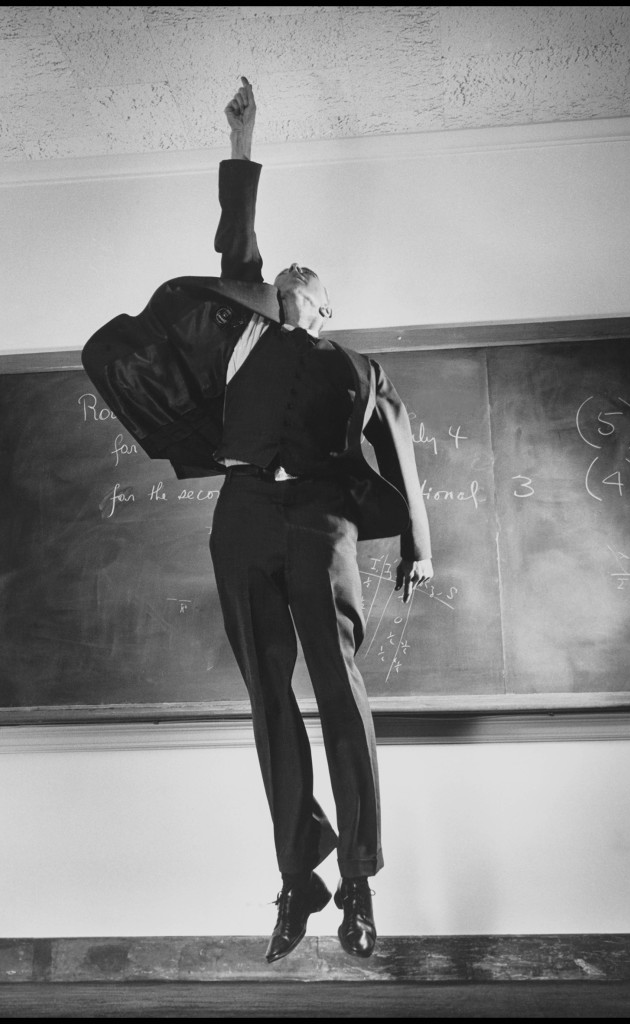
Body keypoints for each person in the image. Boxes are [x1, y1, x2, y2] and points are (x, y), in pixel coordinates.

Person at [82, 78, 433, 963]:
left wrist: (419, 548)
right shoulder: (243, 326)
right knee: (267, 700)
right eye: (278, 286)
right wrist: (241, 145)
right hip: (241, 512)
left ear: (323, 308)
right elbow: (234, 240)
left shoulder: (356, 367)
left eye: (300, 291)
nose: (285, 293)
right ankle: (296, 875)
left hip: (320, 523)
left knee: (339, 694)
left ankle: (356, 880)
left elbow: (398, 447)